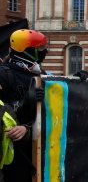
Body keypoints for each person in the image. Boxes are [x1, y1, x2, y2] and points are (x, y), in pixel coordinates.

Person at [0, 29, 48, 181]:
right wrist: (25, 102)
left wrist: (82, 80)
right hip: (12, 152)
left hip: (37, 149)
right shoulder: (4, 74)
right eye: (39, 49)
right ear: (27, 51)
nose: (44, 52)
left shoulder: (40, 74)